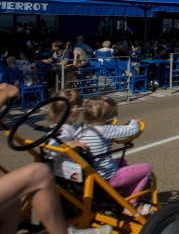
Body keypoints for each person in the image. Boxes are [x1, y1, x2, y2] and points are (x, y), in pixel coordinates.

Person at [0, 84, 113, 234]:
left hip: (66, 170)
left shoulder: (67, 126)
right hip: (68, 170)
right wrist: (4, 94)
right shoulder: (64, 129)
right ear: (72, 110)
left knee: (13, 202)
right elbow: (53, 146)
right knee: (39, 173)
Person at [77, 96, 153, 216]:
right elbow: (131, 130)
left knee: (121, 161)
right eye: (114, 114)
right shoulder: (105, 129)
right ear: (104, 119)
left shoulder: (83, 128)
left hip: (94, 174)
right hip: (109, 176)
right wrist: (134, 122)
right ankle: (131, 203)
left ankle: (125, 194)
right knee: (147, 168)